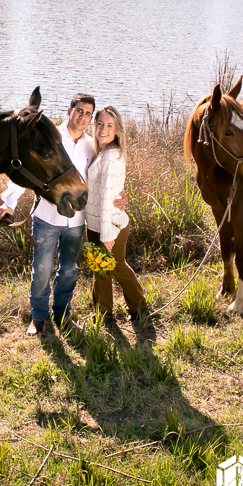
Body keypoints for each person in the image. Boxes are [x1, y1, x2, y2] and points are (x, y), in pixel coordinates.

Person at [0, 93, 124, 335]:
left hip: (76, 221)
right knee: (42, 269)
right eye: (79, 110)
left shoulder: (91, 145)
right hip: (46, 218)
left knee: (68, 270)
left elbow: (103, 178)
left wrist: (120, 197)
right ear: (69, 111)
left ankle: (62, 314)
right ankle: (38, 317)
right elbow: (26, 169)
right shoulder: (50, 136)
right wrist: (9, 203)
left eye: (88, 113)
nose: (83, 116)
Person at [85, 106, 146, 324]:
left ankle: (140, 309)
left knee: (116, 266)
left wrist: (107, 234)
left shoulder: (111, 155)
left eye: (109, 125)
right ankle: (103, 315)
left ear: (117, 130)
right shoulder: (100, 151)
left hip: (111, 225)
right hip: (95, 223)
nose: (103, 129)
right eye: (100, 123)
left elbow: (107, 197)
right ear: (94, 125)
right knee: (99, 268)